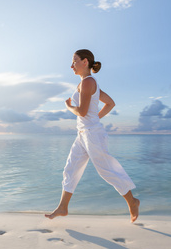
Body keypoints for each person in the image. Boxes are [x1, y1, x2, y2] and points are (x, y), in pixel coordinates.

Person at [45, 49, 140, 223]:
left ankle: (132, 202)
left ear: (85, 62)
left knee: (107, 171)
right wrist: (94, 119)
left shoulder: (88, 82)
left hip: (92, 135)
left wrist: (68, 107)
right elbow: (110, 103)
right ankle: (63, 207)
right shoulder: (86, 83)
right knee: (71, 168)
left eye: (74, 61)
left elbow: (81, 111)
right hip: (83, 133)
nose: (71, 65)